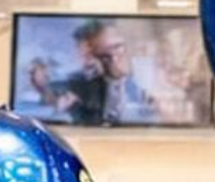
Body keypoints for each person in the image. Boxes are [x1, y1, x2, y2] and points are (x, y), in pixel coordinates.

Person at [27, 21, 159, 124]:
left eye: (117, 47)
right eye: (84, 52)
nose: (88, 57)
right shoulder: (71, 85)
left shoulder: (136, 84)